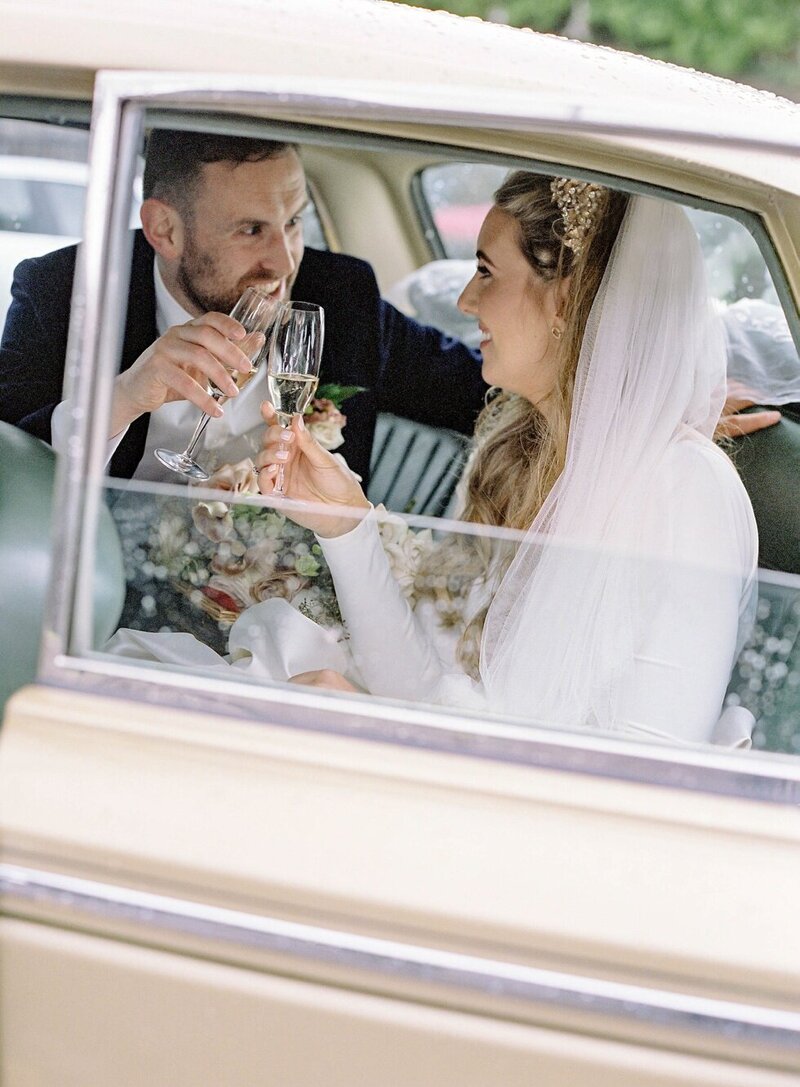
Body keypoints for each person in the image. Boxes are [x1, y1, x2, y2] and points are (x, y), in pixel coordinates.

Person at [248, 173, 760, 747]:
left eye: (487, 272)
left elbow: (647, 771)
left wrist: (377, 733)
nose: (466, 300)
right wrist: (345, 524)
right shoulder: (510, 453)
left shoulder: (687, 493)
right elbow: (422, 687)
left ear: (564, 301)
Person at [0, 129, 487, 486]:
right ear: (165, 230)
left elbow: (478, 393)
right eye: (251, 230)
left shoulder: (342, 295)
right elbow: (11, 469)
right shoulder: (61, 290)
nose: (284, 260)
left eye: (293, 222)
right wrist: (123, 398)